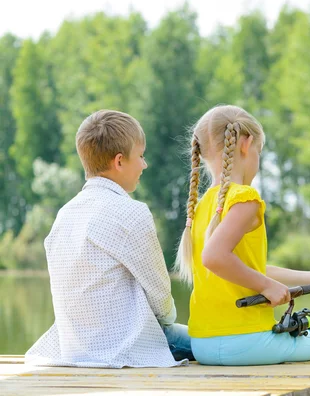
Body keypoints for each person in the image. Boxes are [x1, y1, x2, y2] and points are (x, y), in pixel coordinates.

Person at [175, 105, 310, 366]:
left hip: (203, 344)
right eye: (259, 152)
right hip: (246, 343)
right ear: (246, 143)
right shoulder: (245, 198)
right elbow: (214, 257)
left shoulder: (202, 205)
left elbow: (248, 268)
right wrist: (266, 286)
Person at [25, 110, 193, 368]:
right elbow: (160, 296)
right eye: (140, 156)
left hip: (75, 349)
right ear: (119, 162)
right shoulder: (131, 213)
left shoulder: (64, 216)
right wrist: (167, 322)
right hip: (126, 346)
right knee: (214, 342)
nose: (144, 164)